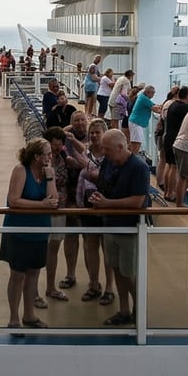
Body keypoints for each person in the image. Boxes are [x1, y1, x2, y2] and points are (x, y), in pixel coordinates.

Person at [87, 129, 150, 326]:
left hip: (128, 228)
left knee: (128, 272)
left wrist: (106, 204)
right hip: (110, 224)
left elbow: (138, 201)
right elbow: (103, 183)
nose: (103, 153)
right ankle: (123, 310)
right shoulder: (110, 161)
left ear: (121, 147)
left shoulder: (139, 168)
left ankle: (139, 307)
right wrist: (98, 198)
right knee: (116, 268)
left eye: (107, 150)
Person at [0, 137, 57, 334]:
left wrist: (50, 179)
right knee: (18, 275)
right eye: (48, 154)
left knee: (34, 273)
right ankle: (14, 318)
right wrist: (41, 205)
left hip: (39, 231)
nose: (51, 156)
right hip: (19, 230)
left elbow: (53, 200)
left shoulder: (49, 172)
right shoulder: (20, 170)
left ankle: (29, 315)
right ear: (37, 157)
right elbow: (14, 200)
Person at [72, 117, 116, 306]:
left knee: (107, 249)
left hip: (106, 206)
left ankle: (109, 288)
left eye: (98, 132)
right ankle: (93, 284)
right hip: (88, 206)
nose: (94, 135)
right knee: (91, 246)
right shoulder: (87, 153)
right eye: (92, 132)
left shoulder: (112, 156)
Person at [39, 127, 80, 309]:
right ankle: (33, 292)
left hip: (60, 208)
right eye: (53, 146)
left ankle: (50, 287)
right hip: (42, 209)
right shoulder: (39, 161)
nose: (56, 149)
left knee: (53, 249)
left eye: (59, 145)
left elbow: (81, 163)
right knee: (39, 249)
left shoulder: (63, 158)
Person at [161, 87, 188, 202]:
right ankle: (171, 193)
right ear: (187, 96)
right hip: (176, 138)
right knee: (174, 167)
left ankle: (166, 191)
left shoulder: (172, 105)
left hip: (168, 136)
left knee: (168, 165)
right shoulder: (185, 108)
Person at [126, 84, 162, 154]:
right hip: (136, 123)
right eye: (153, 93)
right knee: (136, 143)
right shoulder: (144, 99)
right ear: (148, 93)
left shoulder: (143, 97)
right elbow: (155, 109)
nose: (153, 95)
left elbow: (154, 105)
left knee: (134, 142)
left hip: (135, 122)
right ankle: (133, 158)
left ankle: (129, 156)